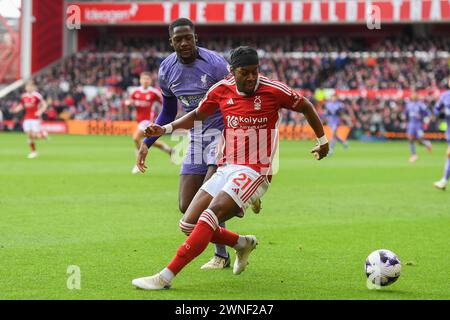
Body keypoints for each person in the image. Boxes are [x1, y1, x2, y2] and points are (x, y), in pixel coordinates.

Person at [132, 46, 329, 290]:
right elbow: (198, 114)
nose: (251, 77)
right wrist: (166, 129)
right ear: (232, 72)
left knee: (210, 215)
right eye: (245, 73)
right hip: (228, 166)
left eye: (255, 72)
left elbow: (306, 105)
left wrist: (323, 141)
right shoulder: (220, 90)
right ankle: (242, 243)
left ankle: (165, 276)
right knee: (187, 224)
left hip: (256, 170)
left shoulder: (274, 90)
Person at [136, 18, 255, 270]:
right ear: (171, 42)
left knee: (209, 199)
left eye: (188, 37)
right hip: (196, 136)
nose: (184, 42)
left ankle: (221, 255)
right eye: (178, 39)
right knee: (185, 205)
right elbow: (168, 111)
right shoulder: (166, 70)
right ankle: (240, 237)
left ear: (195, 37)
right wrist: (148, 143)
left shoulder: (215, 65)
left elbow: (238, 99)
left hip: (224, 133)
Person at [127, 72, 173, 174]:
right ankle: (170, 150)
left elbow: (165, 103)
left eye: (147, 79)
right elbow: (129, 101)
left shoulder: (154, 92)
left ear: (150, 81)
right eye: (144, 79)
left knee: (136, 138)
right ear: (140, 80)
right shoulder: (136, 92)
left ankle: (139, 162)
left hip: (148, 121)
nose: (145, 81)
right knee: (150, 142)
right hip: (139, 121)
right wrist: (128, 103)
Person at [11, 80, 48, 158]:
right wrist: (15, 110)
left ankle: (42, 135)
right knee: (29, 136)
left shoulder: (37, 96)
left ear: (33, 87)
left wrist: (40, 111)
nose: (28, 88)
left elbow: (44, 104)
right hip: (27, 118)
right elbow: (22, 105)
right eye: (27, 86)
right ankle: (34, 152)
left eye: (30, 86)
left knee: (34, 136)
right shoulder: (24, 96)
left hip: (35, 118)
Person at [405, 91, 432, 163]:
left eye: (415, 95)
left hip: (418, 125)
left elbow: (427, 113)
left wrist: (425, 121)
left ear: (417, 97)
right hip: (411, 124)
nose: (413, 96)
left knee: (419, 141)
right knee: (410, 139)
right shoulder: (408, 105)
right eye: (412, 95)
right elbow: (406, 114)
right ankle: (413, 155)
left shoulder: (421, 105)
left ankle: (427, 143)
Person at [433, 78, 450, 190]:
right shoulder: (445, 95)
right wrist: (439, 114)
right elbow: (436, 108)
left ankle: (444, 180)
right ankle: (444, 180)